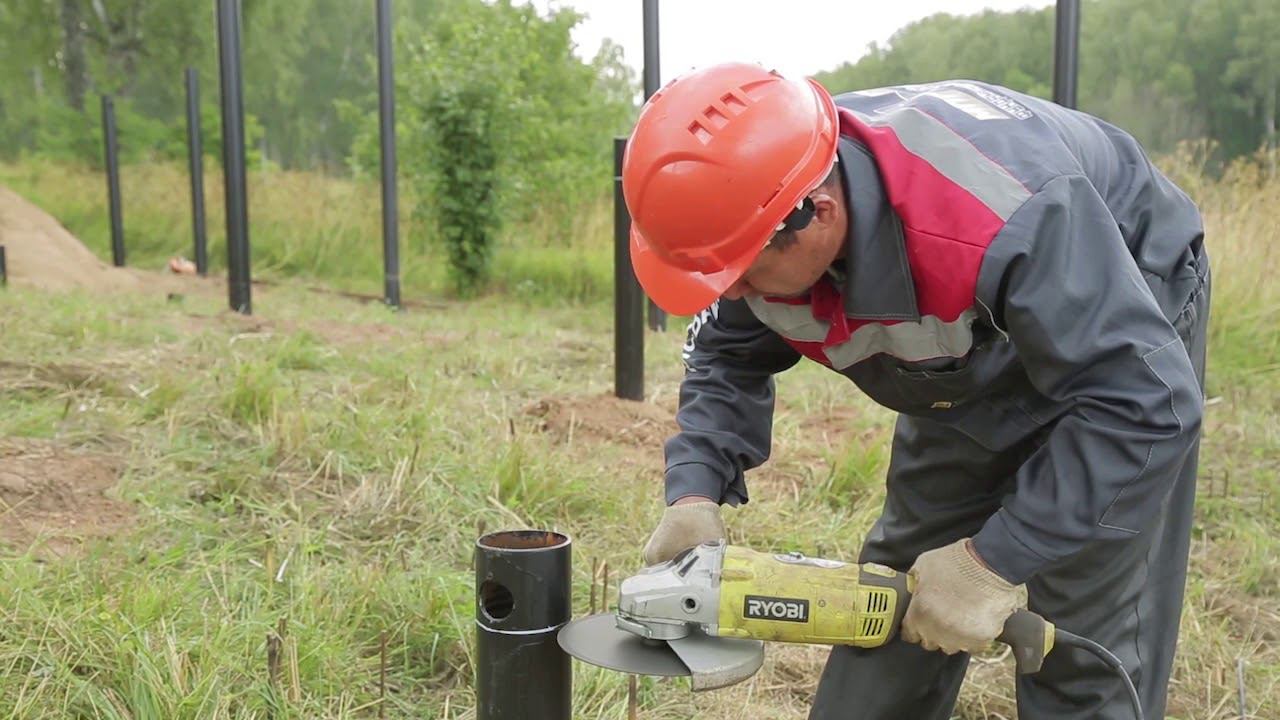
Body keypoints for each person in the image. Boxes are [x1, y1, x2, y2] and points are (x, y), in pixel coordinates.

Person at [627, 63, 1209, 720]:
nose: (728, 294)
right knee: (900, 594)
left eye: (739, 272)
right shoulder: (751, 209)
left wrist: (996, 559)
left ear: (819, 213)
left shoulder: (999, 213)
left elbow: (1144, 404)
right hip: (967, 333)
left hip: (1119, 300)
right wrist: (695, 491)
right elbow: (725, 358)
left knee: (1076, 620)